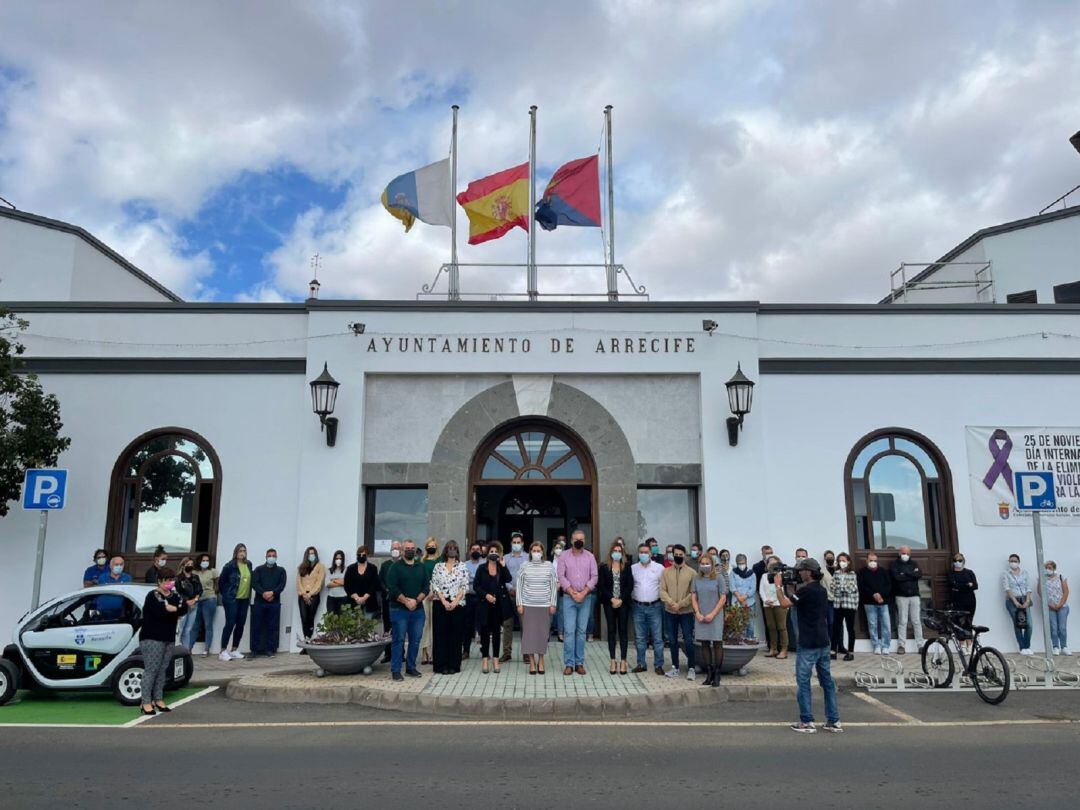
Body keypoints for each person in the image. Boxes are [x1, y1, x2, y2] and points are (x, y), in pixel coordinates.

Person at [777, 558, 842, 733]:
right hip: (823, 641)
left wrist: (777, 586)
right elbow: (795, 598)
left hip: (808, 643)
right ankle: (833, 720)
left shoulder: (806, 591)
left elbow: (784, 604)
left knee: (803, 681)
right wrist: (789, 587)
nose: (799, 573)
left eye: (801, 570)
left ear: (809, 572)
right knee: (826, 681)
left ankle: (806, 721)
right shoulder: (820, 590)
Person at [138, 566, 188, 716]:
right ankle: (146, 701)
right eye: (167, 580)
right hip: (152, 638)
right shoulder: (153, 595)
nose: (170, 583)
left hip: (168, 637)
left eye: (172, 580)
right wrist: (172, 610)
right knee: (151, 670)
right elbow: (160, 611)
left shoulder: (175, 595)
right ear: (159, 581)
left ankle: (158, 698)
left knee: (162, 669)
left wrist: (172, 609)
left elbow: (183, 608)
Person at [385, 539, 430, 680]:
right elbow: (392, 588)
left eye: (412, 548)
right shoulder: (395, 567)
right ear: (403, 551)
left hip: (417, 610)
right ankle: (396, 670)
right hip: (399, 610)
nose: (410, 550)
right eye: (407, 548)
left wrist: (416, 601)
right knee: (398, 640)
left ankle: (411, 668)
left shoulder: (421, 567)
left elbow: (426, 587)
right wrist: (406, 601)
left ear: (415, 550)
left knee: (415, 640)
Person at [556, 529, 598, 676]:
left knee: (581, 632)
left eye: (581, 538)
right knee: (569, 631)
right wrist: (572, 592)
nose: (579, 541)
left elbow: (594, 576)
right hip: (569, 598)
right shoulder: (563, 556)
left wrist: (584, 592)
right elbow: (561, 576)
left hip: (586, 599)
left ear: (584, 541)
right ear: (571, 540)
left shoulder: (590, 557)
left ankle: (579, 663)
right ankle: (569, 664)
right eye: (576, 539)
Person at [516, 540, 559, 675]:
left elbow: (553, 585)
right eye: (534, 551)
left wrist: (553, 603)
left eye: (538, 551)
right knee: (529, 635)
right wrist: (519, 603)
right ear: (530, 552)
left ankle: (541, 660)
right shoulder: (524, 566)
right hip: (528, 605)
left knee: (542, 634)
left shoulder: (549, 565)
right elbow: (519, 585)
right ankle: (532, 662)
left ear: (543, 553)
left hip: (544, 605)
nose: (536, 553)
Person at [473, 541, 512, 674]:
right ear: (487, 554)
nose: (493, 554)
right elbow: (476, 586)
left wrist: (504, 566)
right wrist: (486, 595)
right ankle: (485, 659)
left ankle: (495, 659)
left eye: (496, 552)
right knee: (484, 632)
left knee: (496, 633)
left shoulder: (501, 568)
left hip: (498, 605)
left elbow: (508, 579)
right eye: (491, 552)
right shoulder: (481, 568)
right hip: (484, 604)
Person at [431, 540, 468, 675]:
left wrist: (454, 602)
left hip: (457, 605)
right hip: (440, 604)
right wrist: (444, 601)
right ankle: (441, 665)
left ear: (457, 551)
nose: (452, 550)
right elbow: (435, 585)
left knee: (455, 636)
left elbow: (464, 586)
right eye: (449, 548)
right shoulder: (438, 567)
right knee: (440, 635)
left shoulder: (462, 567)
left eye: (454, 548)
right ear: (445, 551)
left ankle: (454, 665)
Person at [660, 544, 696, 679]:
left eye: (681, 555)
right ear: (672, 555)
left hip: (686, 612)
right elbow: (662, 591)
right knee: (673, 640)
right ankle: (675, 667)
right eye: (676, 554)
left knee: (688, 640)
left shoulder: (692, 573)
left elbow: (693, 593)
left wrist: (680, 604)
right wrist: (671, 603)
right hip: (670, 612)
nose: (678, 557)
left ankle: (691, 668)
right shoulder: (665, 572)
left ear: (685, 555)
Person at [598, 540, 634, 675]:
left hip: (623, 604)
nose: (617, 553)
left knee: (623, 631)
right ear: (611, 552)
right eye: (615, 551)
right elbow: (601, 586)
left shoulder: (627, 567)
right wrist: (612, 599)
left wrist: (621, 599)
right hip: (609, 603)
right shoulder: (604, 567)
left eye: (619, 551)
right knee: (611, 631)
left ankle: (623, 660)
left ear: (622, 553)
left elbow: (630, 585)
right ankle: (613, 660)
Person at [692, 552, 728, 687]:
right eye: (702, 563)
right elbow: (693, 597)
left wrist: (713, 614)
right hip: (701, 614)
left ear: (712, 565)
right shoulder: (696, 578)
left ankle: (717, 674)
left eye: (707, 563)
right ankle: (709, 673)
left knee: (717, 643)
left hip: (715, 614)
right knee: (705, 644)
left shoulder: (718, 578)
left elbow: (723, 598)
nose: (705, 566)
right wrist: (697, 612)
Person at [631, 542, 665, 674]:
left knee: (657, 638)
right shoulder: (633, 568)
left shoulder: (659, 568)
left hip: (654, 606)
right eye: (641, 552)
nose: (643, 554)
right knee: (640, 638)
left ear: (651, 553)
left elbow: (664, 585)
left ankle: (658, 665)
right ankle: (641, 664)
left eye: (646, 552)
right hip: (638, 606)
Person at [217, 543, 253, 661]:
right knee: (230, 623)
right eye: (240, 551)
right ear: (236, 553)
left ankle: (234, 649)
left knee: (241, 624)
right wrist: (226, 596)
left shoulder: (248, 564)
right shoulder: (229, 566)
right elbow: (221, 583)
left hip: (244, 599)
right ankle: (223, 651)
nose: (242, 553)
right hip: (232, 599)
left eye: (244, 551)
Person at [250, 549, 286, 658]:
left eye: (273, 555)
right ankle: (254, 650)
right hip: (259, 602)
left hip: (274, 602)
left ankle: (270, 649)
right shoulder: (258, 569)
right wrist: (263, 593)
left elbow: (282, 584)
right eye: (269, 555)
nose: (271, 557)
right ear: (266, 557)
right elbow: (254, 583)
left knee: (272, 627)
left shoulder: (281, 570)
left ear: (276, 557)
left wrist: (273, 593)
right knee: (256, 626)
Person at [891, 545, 924, 655]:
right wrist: (911, 574)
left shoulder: (914, 563)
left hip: (914, 596)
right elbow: (897, 577)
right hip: (901, 597)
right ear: (900, 553)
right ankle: (901, 645)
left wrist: (905, 573)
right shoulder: (895, 564)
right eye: (904, 553)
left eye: (908, 553)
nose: (905, 555)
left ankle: (920, 645)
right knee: (902, 621)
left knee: (916, 621)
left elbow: (919, 574)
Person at [858, 552, 893, 655]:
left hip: (883, 601)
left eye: (875, 560)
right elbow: (861, 587)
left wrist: (880, 595)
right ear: (867, 561)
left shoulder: (883, 571)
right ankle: (876, 645)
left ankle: (886, 646)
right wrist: (873, 594)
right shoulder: (862, 572)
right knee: (872, 624)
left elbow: (889, 585)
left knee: (886, 624)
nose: (873, 562)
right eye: (871, 560)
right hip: (869, 602)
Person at [185, 553, 218, 655]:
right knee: (195, 625)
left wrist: (213, 594)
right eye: (203, 560)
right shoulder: (194, 572)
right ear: (199, 561)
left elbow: (217, 585)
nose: (205, 562)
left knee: (208, 624)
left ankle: (206, 649)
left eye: (207, 560)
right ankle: (189, 649)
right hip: (197, 600)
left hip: (209, 599)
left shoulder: (213, 571)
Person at [503, 531, 528, 662]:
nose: (516, 544)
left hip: (524, 595)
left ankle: (526, 653)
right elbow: (502, 576)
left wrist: (519, 589)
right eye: (514, 542)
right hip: (508, 594)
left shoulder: (528, 558)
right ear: (511, 544)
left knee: (525, 624)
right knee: (507, 624)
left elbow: (530, 577)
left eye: (519, 542)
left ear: (522, 543)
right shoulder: (505, 558)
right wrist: (510, 588)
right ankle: (507, 652)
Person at [947, 553, 978, 653]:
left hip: (970, 600)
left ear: (963, 561)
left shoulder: (969, 572)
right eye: (956, 560)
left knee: (969, 622)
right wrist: (967, 585)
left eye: (960, 560)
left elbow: (975, 586)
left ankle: (970, 644)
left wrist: (961, 585)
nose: (958, 562)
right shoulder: (951, 573)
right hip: (957, 600)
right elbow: (953, 585)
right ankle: (962, 644)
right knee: (960, 622)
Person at [759, 555, 789, 658]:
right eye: (769, 563)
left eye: (774, 563)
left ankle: (784, 650)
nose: (771, 564)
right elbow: (761, 590)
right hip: (767, 604)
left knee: (782, 627)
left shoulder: (782, 575)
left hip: (779, 604)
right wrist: (766, 600)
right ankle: (773, 649)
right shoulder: (764, 576)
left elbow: (783, 591)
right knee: (771, 627)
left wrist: (775, 601)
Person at [1003, 552, 1033, 654]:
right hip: (1012, 600)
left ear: (1019, 562)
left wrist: (1027, 601)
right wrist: (1015, 602)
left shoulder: (1025, 573)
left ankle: (1027, 646)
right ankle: (1022, 647)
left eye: (1015, 561)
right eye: (1011, 561)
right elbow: (1007, 588)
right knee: (1018, 624)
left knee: (1029, 624)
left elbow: (1028, 587)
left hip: (1024, 598)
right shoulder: (1006, 573)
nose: (1013, 563)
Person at [344, 545, 383, 622]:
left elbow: (374, 585)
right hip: (353, 603)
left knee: (367, 627)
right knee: (353, 628)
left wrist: (364, 598)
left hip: (369, 602)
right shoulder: (350, 568)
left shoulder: (373, 568)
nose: (361, 556)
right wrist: (356, 598)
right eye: (359, 555)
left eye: (363, 555)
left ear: (367, 555)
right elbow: (347, 585)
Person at [830, 552, 858, 661]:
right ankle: (833, 651)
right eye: (840, 560)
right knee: (836, 627)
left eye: (844, 560)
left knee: (850, 628)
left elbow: (851, 589)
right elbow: (832, 587)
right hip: (838, 604)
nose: (842, 563)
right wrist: (841, 588)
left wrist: (840, 588)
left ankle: (850, 652)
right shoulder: (836, 573)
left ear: (848, 562)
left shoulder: (852, 574)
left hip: (850, 605)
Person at [1039, 561, 1070, 655]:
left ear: (1054, 568)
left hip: (1062, 606)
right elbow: (1040, 592)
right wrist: (1049, 604)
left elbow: (1066, 592)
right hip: (1050, 607)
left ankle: (1064, 647)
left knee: (1062, 627)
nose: (1048, 569)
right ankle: (1055, 646)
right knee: (1053, 627)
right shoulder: (1042, 578)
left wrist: (1060, 604)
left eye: (1050, 568)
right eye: (1046, 568)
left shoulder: (1060, 576)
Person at [378, 540, 402, 662]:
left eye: (397, 548)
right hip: (387, 600)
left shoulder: (403, 564)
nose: (395, 550)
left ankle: (400, 654)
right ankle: (388, 654)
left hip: (400, 601)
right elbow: (380, 581)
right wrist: (387, 590)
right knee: (387, 626)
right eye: (393, 548)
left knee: (400, 627)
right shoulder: (385, 565)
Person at [296, 546, 325, 642]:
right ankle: (306, 639)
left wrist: (310, 594)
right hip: (302, 596)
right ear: (306, 555)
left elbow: (319, 582)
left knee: (310, 618)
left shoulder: (320, 567)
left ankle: (309, 640)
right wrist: (304, 594)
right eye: (309, 554)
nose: (311, 555)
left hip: (314, 596)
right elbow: (298, 582)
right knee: (304, 618)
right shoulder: (301, 567)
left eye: (313, 553)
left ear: (316, 555)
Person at [419, 538, 440, 665]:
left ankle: (433, 653)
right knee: (425, 623)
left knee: (435, 623)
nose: (431, 547)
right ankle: (424, 652)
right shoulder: (421, 561)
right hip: (424, 592)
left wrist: (435, 591)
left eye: (433, 545)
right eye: (429, 546)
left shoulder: (440, 561)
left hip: (437, 593)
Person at [463, 541, 485, 659]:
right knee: (467, 625)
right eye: (473, 549)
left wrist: (472, 577)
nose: (475, 551)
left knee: (482, 625)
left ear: (481, 552)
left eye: (478, 549)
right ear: (470, 551)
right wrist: (476, 578)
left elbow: (482, 580)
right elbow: (464, 580)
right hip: (468, 597)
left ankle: (484, 651)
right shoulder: (464, 564)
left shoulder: (485, 564)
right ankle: (466, 651)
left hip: (481, 598)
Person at [175, 557, 203, 647]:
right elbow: (178, 592)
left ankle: (186, 651)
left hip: (194, 606)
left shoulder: (195, 577)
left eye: (191, 565)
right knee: (181, 629)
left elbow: (200, 591)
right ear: (183, 566)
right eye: (188, 565)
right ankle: (177, 649)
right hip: (183, 606)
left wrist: (194, 600)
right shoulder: (178, 578)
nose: (190, 566)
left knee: (188, 630)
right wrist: (186, 601)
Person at [752, 544, 775, 650]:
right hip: (765, 598)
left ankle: (781, 646)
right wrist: (764, 597)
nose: (769, 555)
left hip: (778, 597)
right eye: (767, 553)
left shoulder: (778, 564)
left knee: (780, 623)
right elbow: (756, 584)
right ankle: (770, 645)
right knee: (768, 622)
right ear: (762, 553)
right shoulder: (757, 567)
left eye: (770, 553)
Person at [729, 553, 756, 641]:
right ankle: (739, 641)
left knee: (750, 623)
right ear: (736, 563)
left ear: (746, 562)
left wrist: (744, 598)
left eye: (743, 563)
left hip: (749, 603)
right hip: (736, 603)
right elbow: (732, 587)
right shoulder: (733, 573)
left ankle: (749, 639)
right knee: (738, 623)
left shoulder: (751, 573)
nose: (741, 565)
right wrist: (739, 598)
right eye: (739, 563)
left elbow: (753, 588)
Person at [96, 555, 132, 620]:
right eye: (116, 564)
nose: (119, 566)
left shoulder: (127, 578)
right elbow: (105, 591)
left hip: (120, 614)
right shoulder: (103, 577)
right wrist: (119, 590)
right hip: (103, 613)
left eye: (121, 564)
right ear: (110, 566)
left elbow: (127, 593)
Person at [550, 538, 567, 642]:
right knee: (550, 611)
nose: (558, 550)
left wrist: (560, 583)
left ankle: (560, 633)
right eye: (556, 548)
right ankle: (548, 632)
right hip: (551, 587)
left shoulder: (565, 560)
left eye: (560, 548)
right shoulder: (549, 560)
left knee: (561, 612)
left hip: (562, 588)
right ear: (553, 549)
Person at [325, 550, 349, 615]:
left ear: (343, 559)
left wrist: (334, 580)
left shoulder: (346, 570)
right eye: (337, 558)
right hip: (331, 599)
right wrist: (340, 581)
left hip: (343, 598)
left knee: (341, 622)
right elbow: (327, 584)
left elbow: (346, 583)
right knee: (332, 622)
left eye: (340, 558)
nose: (338, 560)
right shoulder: (329, 570)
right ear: (334, 559)